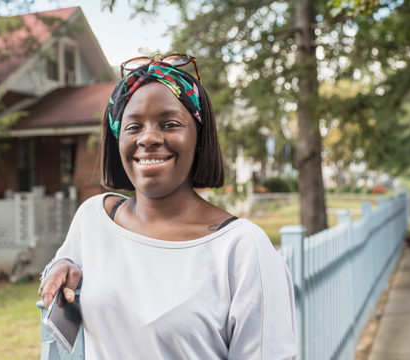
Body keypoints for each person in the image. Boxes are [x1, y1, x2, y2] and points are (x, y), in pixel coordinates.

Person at [39, 54, 298, 359]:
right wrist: (61, 266)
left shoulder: (241, 248)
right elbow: (64, 273)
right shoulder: (93, 219)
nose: (148, 138)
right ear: (117, 139)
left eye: (170, 123)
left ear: (199, 137)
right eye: (133, 127)